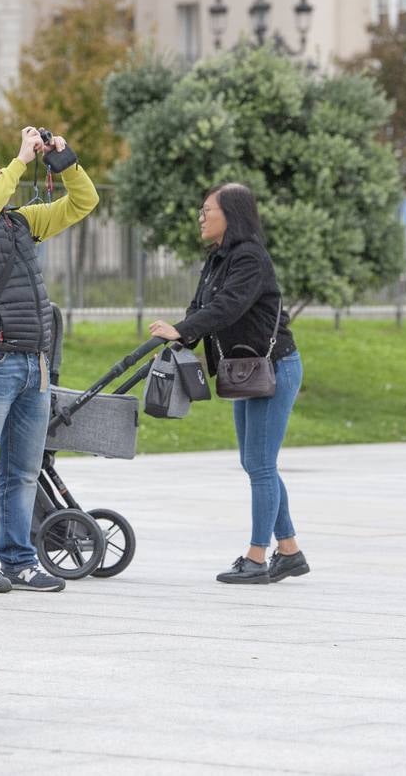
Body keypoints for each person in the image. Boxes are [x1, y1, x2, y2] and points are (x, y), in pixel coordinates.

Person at [0, 127, 99, 594]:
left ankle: (18, 560)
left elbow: (83, 202)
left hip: (34, 364)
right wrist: (19, 160)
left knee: (23, 471)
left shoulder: (23, 223)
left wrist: (63, 159)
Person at [147, 183, 307, 586]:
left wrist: (182, 329)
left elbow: (228, 306)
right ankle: (288, 550)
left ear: (230, 215)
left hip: (274, 368)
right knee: (256, 463)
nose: (201, 217)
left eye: (207, 210)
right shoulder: (219, 257)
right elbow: (201, 306)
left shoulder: (250, 258)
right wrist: (179, 336)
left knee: (260, 464)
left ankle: (257, 557)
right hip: (244, 370)